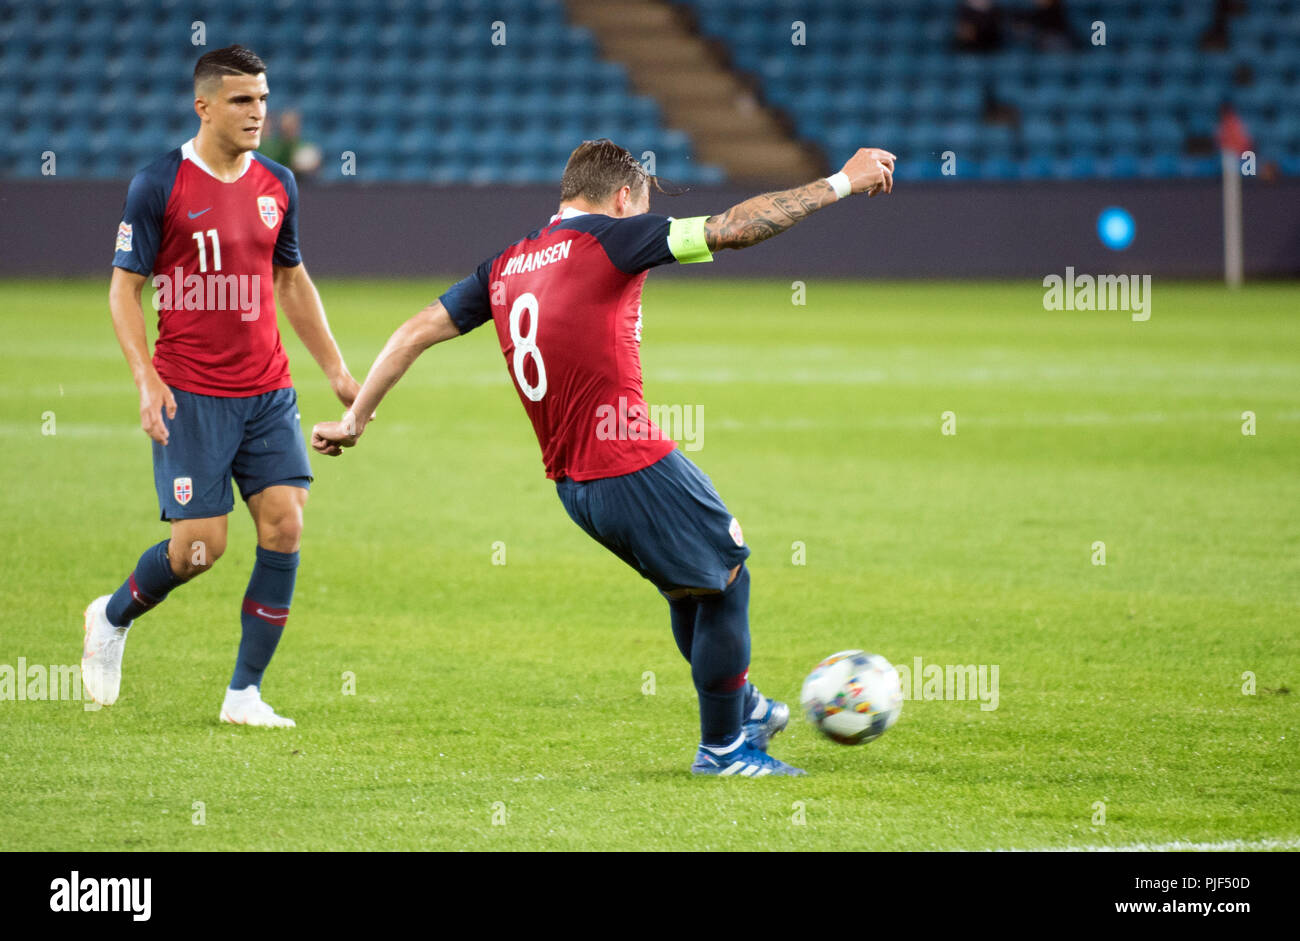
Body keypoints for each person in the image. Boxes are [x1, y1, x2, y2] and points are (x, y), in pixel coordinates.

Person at [311, 139, 895, 775]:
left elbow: (415, 330)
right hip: (627, 460)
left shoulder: (507, 264)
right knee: (727, 577)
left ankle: (745, 708)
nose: (647, 218)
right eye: (644, 205)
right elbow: (733, 229)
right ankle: (725, 749)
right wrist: (841, 181)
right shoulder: (612, 240)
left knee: (689, 593)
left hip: (575, 485)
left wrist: (355, 417)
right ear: (623, 197)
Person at [84, 45, 360, 726]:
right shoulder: (159, 185)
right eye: (242, 100)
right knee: (199, 548)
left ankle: (244, 694)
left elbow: (291, 279)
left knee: (286, 524)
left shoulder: (277, 184)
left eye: (263, 99)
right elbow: (125, 289)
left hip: (267, 390)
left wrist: (335, 370)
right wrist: (144, 376)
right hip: (192, 395)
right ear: (203, 106)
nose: (257, 113)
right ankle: (112, 615)